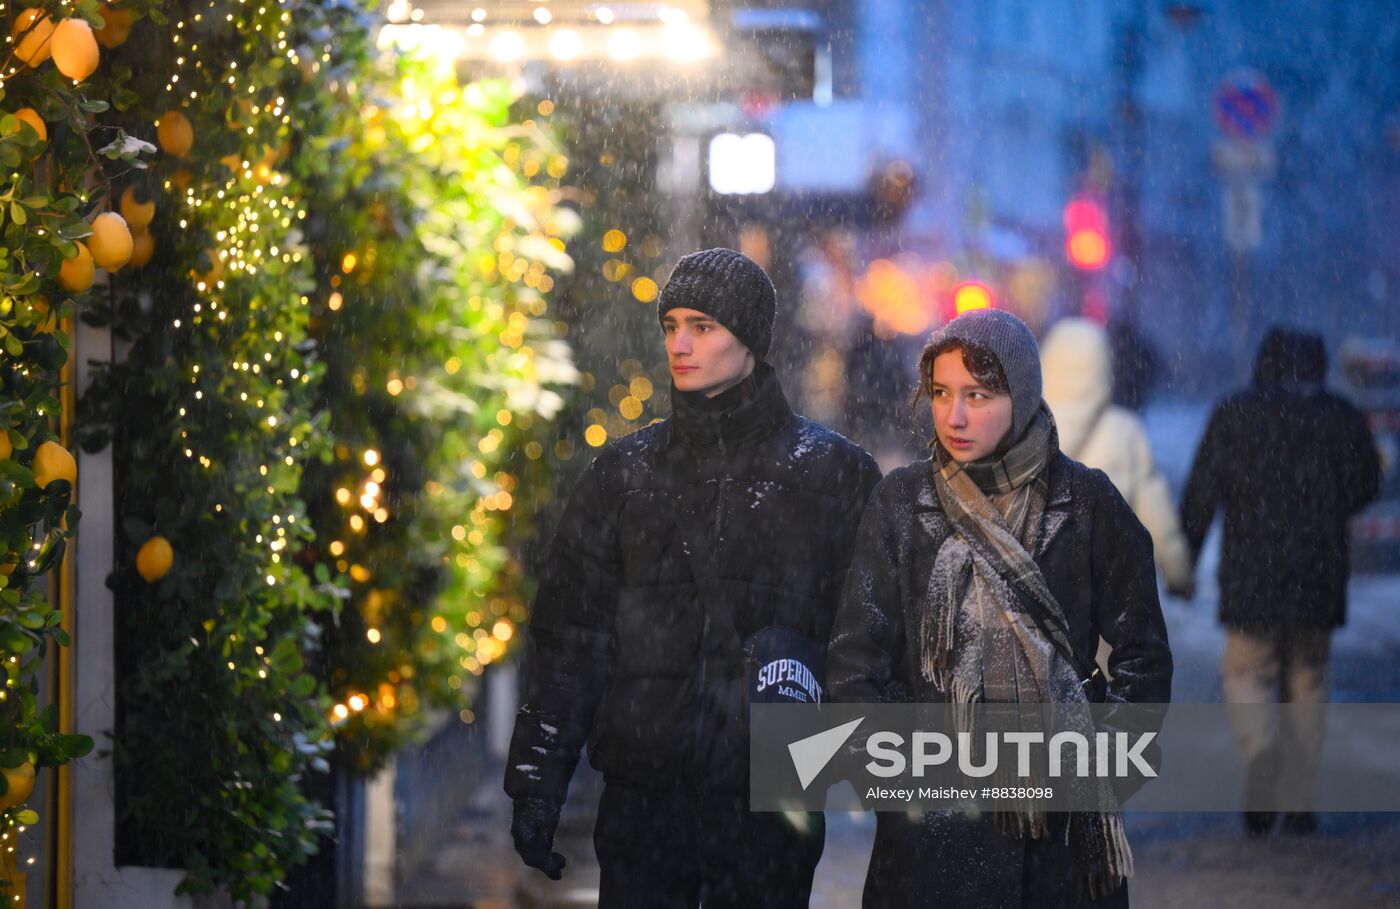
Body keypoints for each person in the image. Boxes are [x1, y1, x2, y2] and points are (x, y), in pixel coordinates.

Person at [504, 248, 882, 907]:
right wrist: (538, 778)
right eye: (671, 324)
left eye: (702, 326)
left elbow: (869, 641)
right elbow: (571, 639)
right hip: (645, 804)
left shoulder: (834, 477)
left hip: (772, 807)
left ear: (751, 342)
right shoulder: (623, 476)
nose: (679, 343)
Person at [827, 308, 1172, 908]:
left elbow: (1144, 660)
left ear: (1022, 393)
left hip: (1061, 845)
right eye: (940, 393)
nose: (955, 416)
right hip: (929, 846)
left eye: (978, 395)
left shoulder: (1087, 504)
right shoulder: (901, 506)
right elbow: (855, 664)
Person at [1181, 327, 1381, 838]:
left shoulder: (1234, 413)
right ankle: (1299, 800)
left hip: (1252, 574)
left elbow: (1202, 490)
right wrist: (1326, 509)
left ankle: (1260, 753)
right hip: (1318, 574)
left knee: (1247, 673)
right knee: (1308, 681)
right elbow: (1366, 484)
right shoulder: (1340, 416)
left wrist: (1185, 556)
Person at [1041, 317, 1194, 674]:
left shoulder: (1027, 428)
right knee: (1107, 689)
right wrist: (1179, 573)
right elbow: (1154, 512)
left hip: (1046, 585)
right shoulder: (1124, 430)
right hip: (1111, 588)